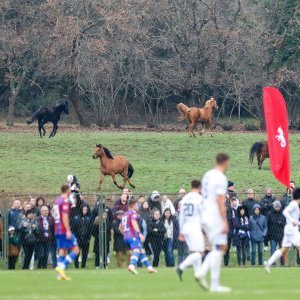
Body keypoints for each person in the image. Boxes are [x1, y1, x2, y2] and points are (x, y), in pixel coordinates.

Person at [198, 153, 231, 293]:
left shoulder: (207, 175)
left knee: (218, 248)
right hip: (214, 216)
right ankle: (203, 273)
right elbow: (219, 200)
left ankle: (214, 284)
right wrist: (224, 221)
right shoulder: (221, 178)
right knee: (220, 247)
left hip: (204, 215)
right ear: (224, 162)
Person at [264, 188, 300, 273]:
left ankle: (268, 263)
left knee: (284, 249)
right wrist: (292, 221)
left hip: (289, 229)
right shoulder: (294, 204)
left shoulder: (295, 205)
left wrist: (296, 222)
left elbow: (294, 218)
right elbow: (285, 212)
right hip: (291, 229)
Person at [176, 180, 204, 283]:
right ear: (200, 187)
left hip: (186, 227)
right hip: (195, 227)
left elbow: (181, 216)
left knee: (195, 251)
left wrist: (181, 231)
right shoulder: (200, 198)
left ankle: (197, 274)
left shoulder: (185, 198)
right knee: (200, 252)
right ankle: (181, 267)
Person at [122, 197, 156, 274]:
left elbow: (121, 226)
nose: (137, 206)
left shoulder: (125, 214)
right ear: (133, 205)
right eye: (137, 205)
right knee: (137, 250)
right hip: (132, 235)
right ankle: (132, 265)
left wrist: (125, 234)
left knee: (141, 251)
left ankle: (149, 268)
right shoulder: (133, 213)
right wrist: (139, 233)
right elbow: (134, 222)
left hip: (126, 236)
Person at [52, 185, 79, 280]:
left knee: (62, 250)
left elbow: (54, 214)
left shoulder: (57, 200)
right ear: (67, 190)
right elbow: (64, 216)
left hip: (57, 229)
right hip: (63, 229)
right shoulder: (64, 201)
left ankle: (60, 275)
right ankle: (61, 267)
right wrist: (68, 230)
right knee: (76, 249)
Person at [266, 201, 285, 266]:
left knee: (282, 250)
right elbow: (267, 224)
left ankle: (283, 263)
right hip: (272, 235)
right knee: (273, 250)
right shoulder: (269, 214)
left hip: (281, 235)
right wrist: (268, 233)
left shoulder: (283, 214)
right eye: (276, 207)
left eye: (279, 207)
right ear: (274, 207)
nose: (277, 208)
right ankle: (272, 263)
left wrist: (282, 223)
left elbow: (286, 223)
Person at [224, 197, 239, 266]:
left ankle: (227, 263)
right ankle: (224, 263)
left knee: (228, 248)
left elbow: (234, 221)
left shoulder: (231, 211)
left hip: (230, 232)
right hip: (222, 233)